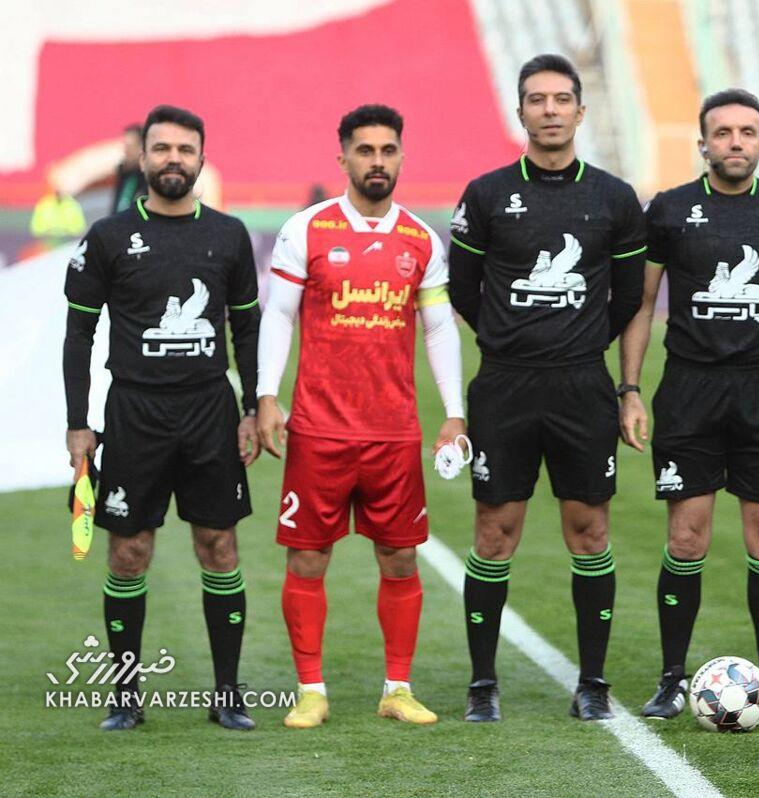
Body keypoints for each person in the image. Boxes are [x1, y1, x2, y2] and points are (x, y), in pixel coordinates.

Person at [620, 89, 759, 720]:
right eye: (723, 133)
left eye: (746, 132)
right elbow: (641, 302)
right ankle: (670, 679)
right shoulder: (669, 210)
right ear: (704, 143)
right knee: (686, 537)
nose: (735, 142)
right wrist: (629, 389)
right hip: (688, 390)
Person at [448, 54, 646, 722]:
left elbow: (628, 299)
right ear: (521, 112)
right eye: (538, 100)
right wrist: (509, 338)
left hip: (581, 385)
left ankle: (592, 683)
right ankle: (482, 685)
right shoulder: (486, 194)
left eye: (562, 99)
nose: (551, 110)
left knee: (588, 531)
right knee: (494, 531)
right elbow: (464, 289)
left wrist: (580, 343)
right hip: (504, 385)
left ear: (581, 112)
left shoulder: (614, 198)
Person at [256, 104, 465, 729]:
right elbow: (278, 315)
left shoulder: (421, 240)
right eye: (365, 150)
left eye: (388, 150)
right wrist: (266, 396)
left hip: (393, 432)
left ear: (401, 156)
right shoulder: (307, 229)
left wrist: (454, 413)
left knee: (400, 559)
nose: (378, 161)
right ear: (343, 157)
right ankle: (311, 690)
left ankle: (397, 688)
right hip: (319, 428)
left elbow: (438, 329)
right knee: (307, 559)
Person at [63, 104, 261, 731]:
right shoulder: (108, 237)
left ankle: (227, 695)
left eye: (185, 149)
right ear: (143, 157)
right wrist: (78, 423)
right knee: (129, 553)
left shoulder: (228, 235)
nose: (173, 159)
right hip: (134, 413)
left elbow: (247, 329)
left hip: (209, 411)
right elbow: (78, 335)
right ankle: (125, 697)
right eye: (162, 148)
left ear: (201, 158)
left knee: (219, 547)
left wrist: (251, 408)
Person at [112, 124, 148, 214]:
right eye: (125, 146)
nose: (125, 151)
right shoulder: (124, 174)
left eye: (129, 146)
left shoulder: (149, 179)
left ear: (141, 148)